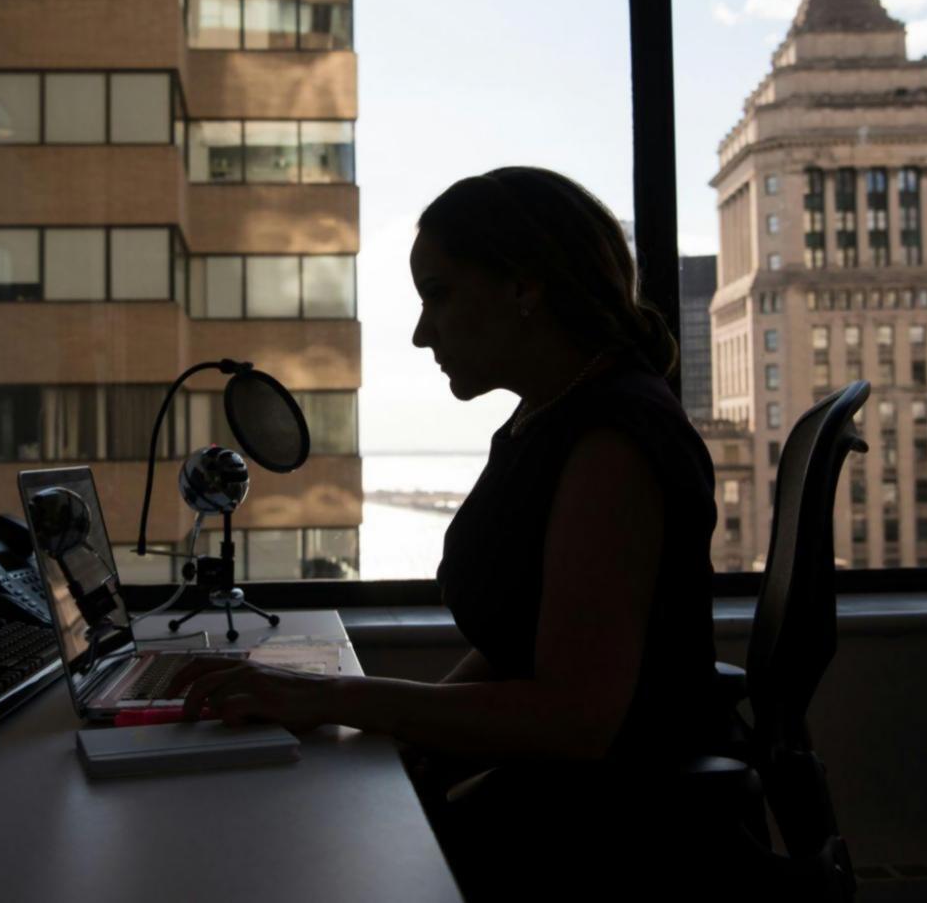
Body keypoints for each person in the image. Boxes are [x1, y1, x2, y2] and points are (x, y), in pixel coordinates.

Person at [172, 167, 729, 891]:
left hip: (619, 837)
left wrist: (334, 698)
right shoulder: (549, 417)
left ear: (525, 288)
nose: (419, 331)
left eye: (438, 294)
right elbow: (515, 643)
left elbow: (574, 719)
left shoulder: (613, 442)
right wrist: (412, 740)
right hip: (564, 799)